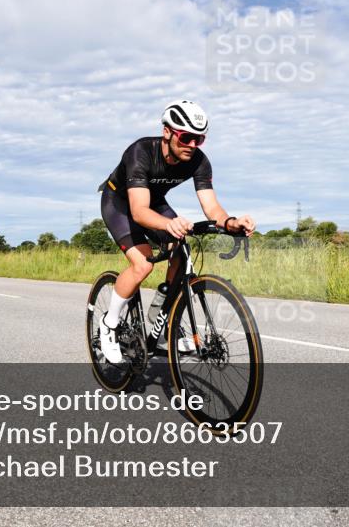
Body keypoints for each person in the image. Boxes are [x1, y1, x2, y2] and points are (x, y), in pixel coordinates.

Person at [97, 100, 255, 363]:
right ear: (167, 132)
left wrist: (231, 223)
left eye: (199, 139)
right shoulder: (140, 152)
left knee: (182, 253)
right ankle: (109, 323)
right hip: (121, 203)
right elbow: (138, 212)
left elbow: (211, 207)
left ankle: (160, 316)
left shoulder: (198, 161)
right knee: (142, 265)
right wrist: (168, 223)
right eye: (186, 137)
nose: (192, 145)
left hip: (154, 202)